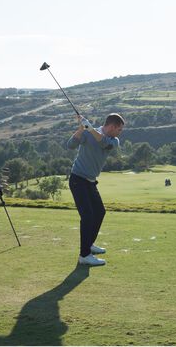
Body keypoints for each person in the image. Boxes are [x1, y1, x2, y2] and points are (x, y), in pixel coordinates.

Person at [66, 113, 125, 266]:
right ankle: (84, 255)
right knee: (88, 216)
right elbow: (70, 145)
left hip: (90, 182)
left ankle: (89, 244)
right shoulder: (88, 132)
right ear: (111, 126)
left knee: (99, 212)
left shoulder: (114, 140)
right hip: (78, 179)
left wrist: (90, 129)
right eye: (119, 129)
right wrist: (81, 129)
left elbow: (104, 143)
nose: (120, 133)